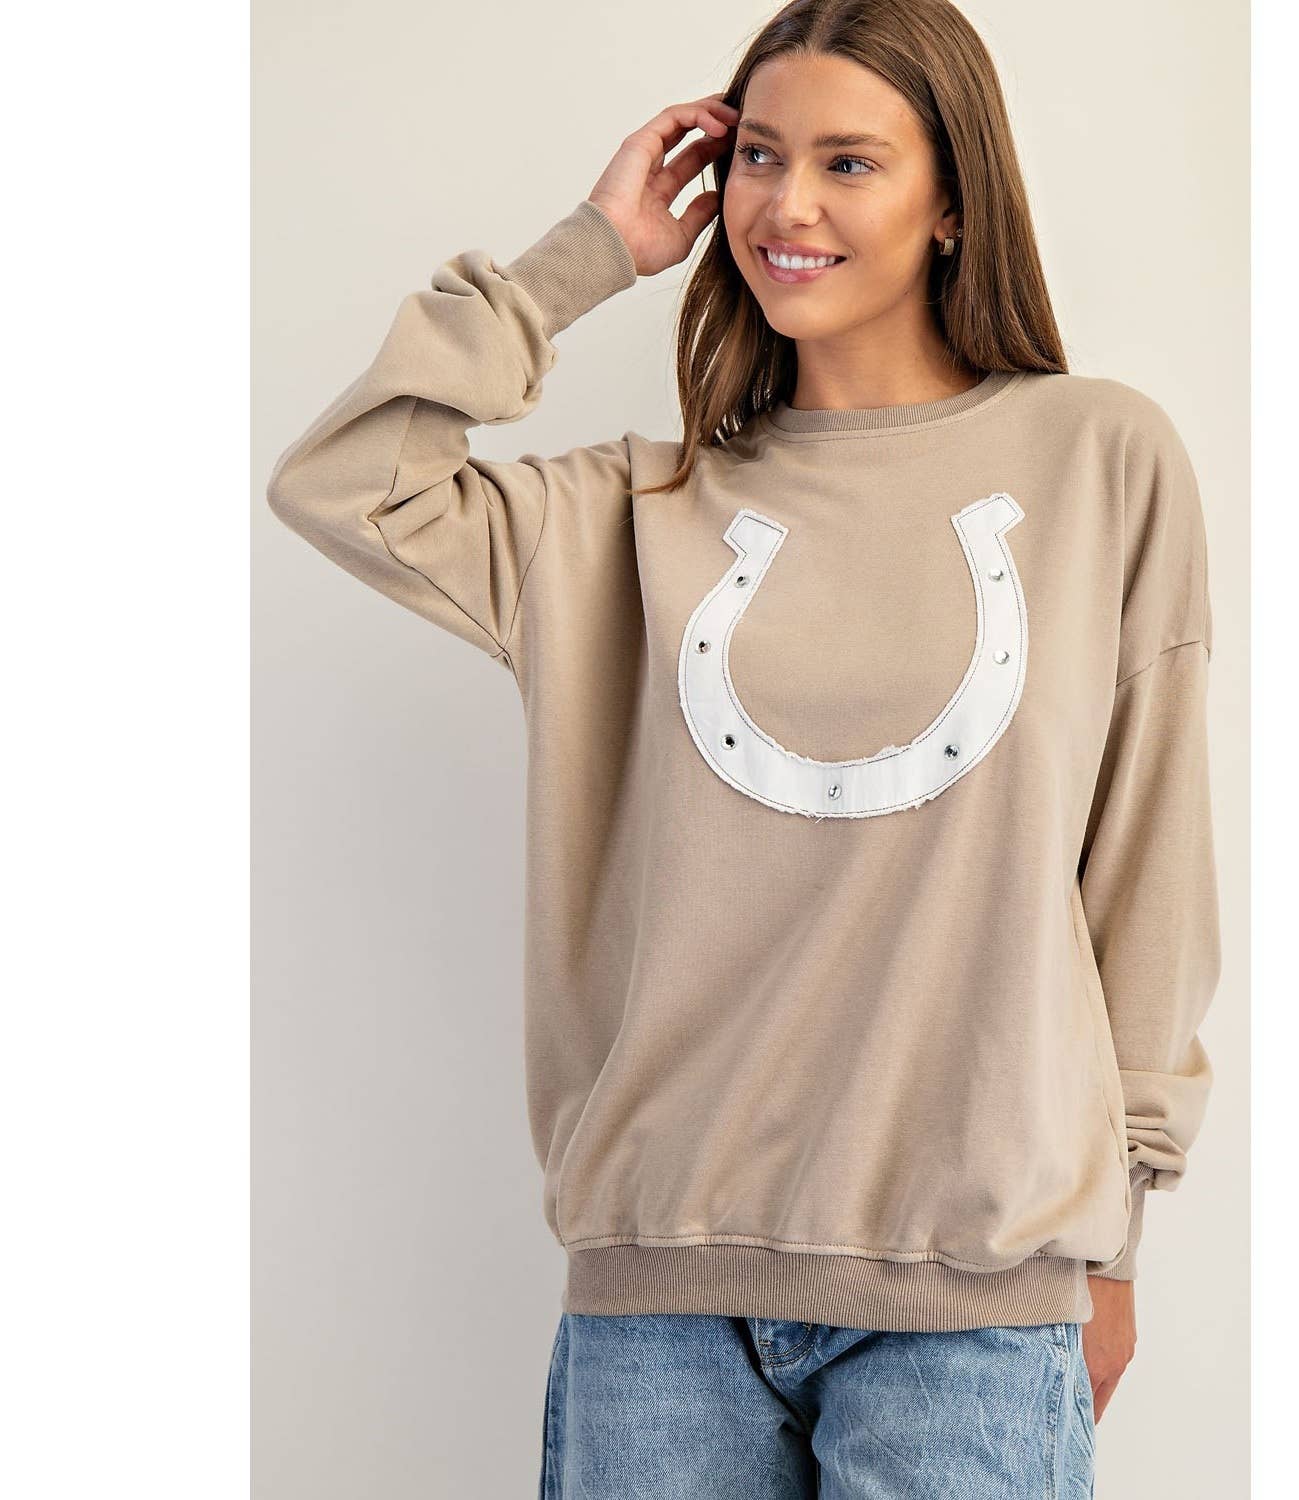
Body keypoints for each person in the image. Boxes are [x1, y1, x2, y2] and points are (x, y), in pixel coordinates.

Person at [265, 1, 1221, 1493]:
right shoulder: (627, 520)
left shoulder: (1100, 461)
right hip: (661, 1304)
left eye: (851, 162)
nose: (786, 206)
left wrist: (1119, 1243)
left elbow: (1149, 866)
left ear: (953, 202)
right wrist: (585, 255)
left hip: (973, 1302)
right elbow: (342, 483)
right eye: (759, 157)